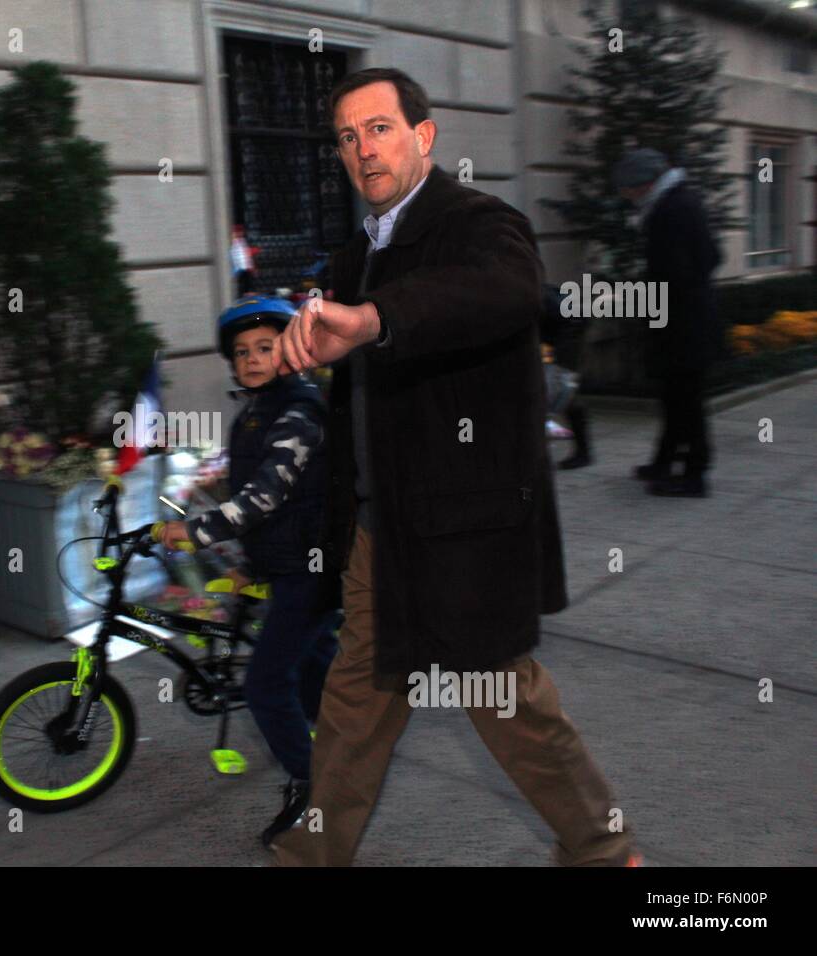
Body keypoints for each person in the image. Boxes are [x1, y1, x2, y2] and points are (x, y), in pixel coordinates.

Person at [267, 68, 637, 866]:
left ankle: (604, 853)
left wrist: (373, 320)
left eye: (379, 128)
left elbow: (504, 292)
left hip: (462, 529)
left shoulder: (479, 224)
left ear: (423, 136)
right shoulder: (354, 254)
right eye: (346, 136)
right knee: (354, 701)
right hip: (380, 526)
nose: (362, 149)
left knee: (506, 701)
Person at [159, 295, 339, 848]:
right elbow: (261, 504)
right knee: (313, 663)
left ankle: (313, 789)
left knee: (265, 685)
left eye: (266, 347)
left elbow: (266, 495)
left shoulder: (299, 411)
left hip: (312, 570)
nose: (252, 358)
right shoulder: (259, 410)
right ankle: (344, 748)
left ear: (292, 348)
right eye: (241, 352)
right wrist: (247, 565)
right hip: (289, 564)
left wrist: (195, 531)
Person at [614, 147, 722, 497]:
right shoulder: (681, 201)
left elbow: (674, 273)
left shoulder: (669, 210)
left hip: (680, 324)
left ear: (643, 183)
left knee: (685, 401)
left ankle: (694, 475)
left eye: (627, 188)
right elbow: (712, 256)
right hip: (688, 319)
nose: (625, 195)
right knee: (676, 398)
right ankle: (664, 461)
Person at [541, 283, 592, 469]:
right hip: (567, 329)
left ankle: (583, 453)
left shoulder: (523, 290)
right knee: (565, 393)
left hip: (569, 331)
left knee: (558, 391)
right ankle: (584, 452)